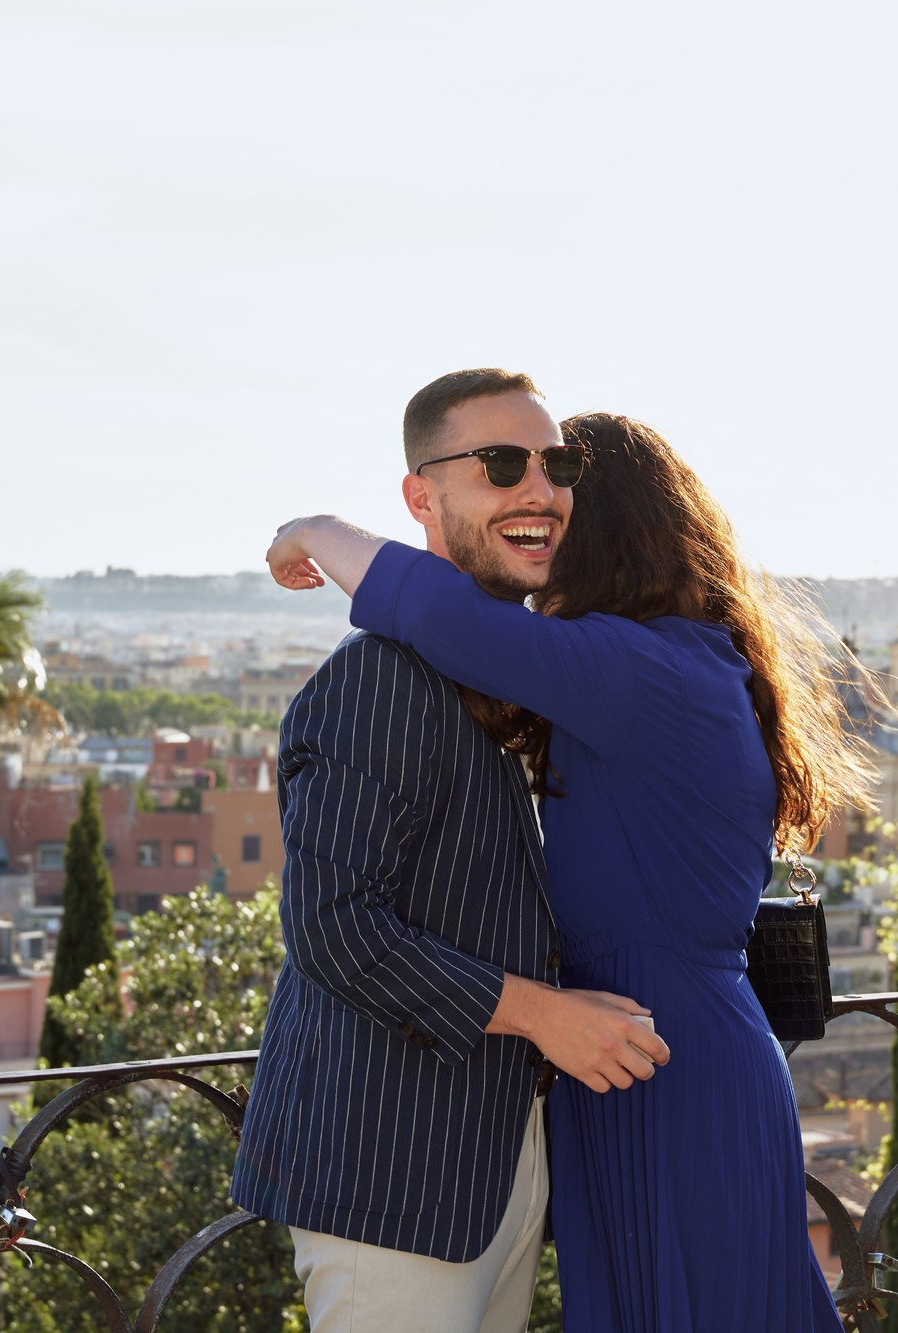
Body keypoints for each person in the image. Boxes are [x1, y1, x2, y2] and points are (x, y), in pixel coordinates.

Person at [266, 411, 875, 1332]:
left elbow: (438, 612)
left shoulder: (637, 668)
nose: (537, 505)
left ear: (599, 524)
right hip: (641, 1051)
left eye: (558, 484)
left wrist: (315, 531)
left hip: (652, 1059)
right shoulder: (677, 658)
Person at [232, 370, 671, 1333]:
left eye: (556, 465)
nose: (539, 490)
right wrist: (545, 1015)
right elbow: (334, 929)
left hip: (495, 1164)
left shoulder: (507, 673)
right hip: (392, 1179)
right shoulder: (380, 684)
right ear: (421, 497)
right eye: (501, 464)